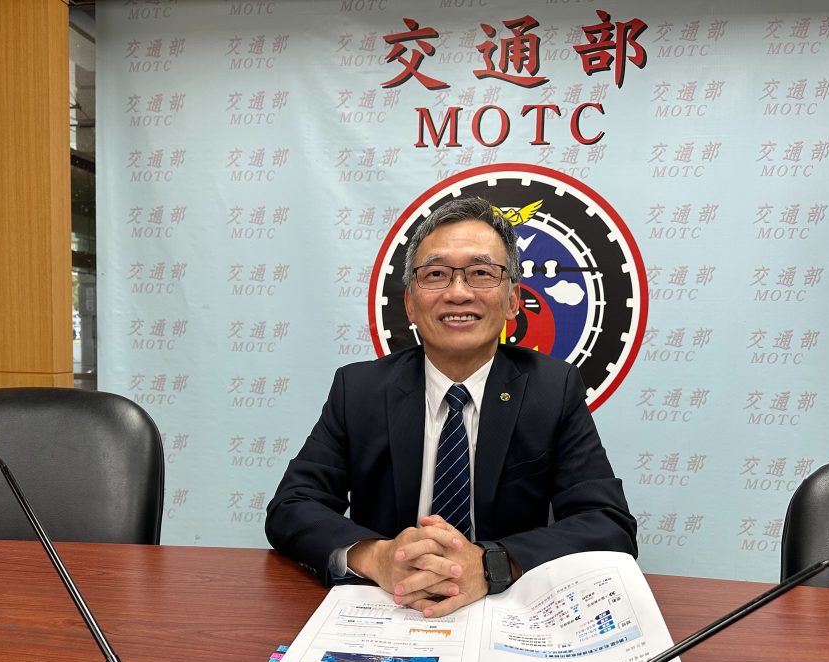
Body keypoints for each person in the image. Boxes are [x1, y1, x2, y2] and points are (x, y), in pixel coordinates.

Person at [266, 196, 635, 618]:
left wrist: (493, 564)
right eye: (436, 275)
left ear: (513, 300)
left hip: (504, 612)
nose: (458, 293)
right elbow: (292, 506)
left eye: (481, 273)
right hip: (391, 608)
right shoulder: (359, 389)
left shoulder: (552, 389)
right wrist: (377, 556)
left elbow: (608, 523)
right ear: (410, 304)